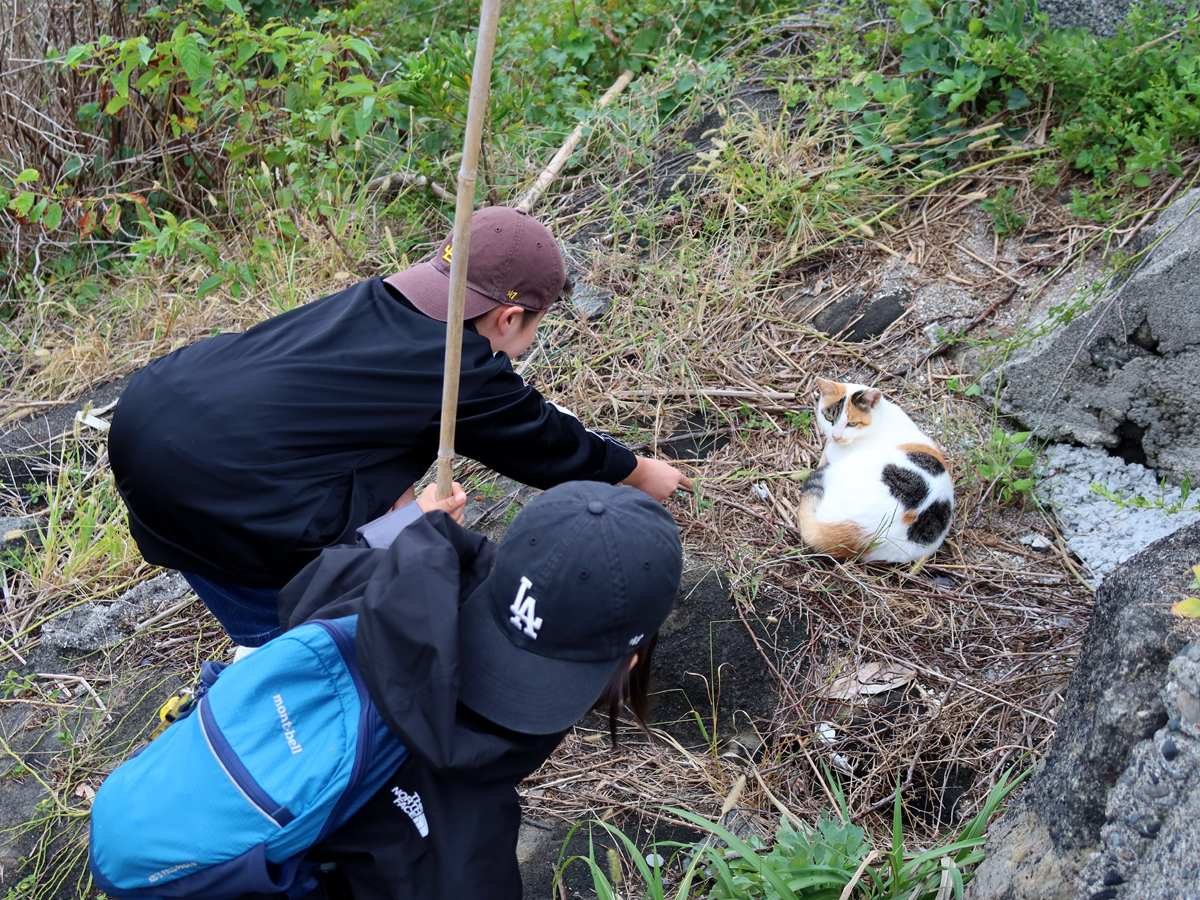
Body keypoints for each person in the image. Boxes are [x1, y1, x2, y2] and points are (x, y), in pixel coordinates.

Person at [107, 206, 692, 647]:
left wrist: (400, 513)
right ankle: (284, 686)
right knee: (312, 643)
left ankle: (264, 649)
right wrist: (639, 472)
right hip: (234, 501)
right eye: (533, 326)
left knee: (320, 556)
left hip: (153, 427)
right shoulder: (458, 367)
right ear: (510, 316)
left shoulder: (375, 300)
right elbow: (542, 441)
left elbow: (350, 430)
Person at [279, 480, 683, 900]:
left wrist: (412, 529)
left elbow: (308, 592)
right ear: (630, 662)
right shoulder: (464, 863)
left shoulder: (364, 582)